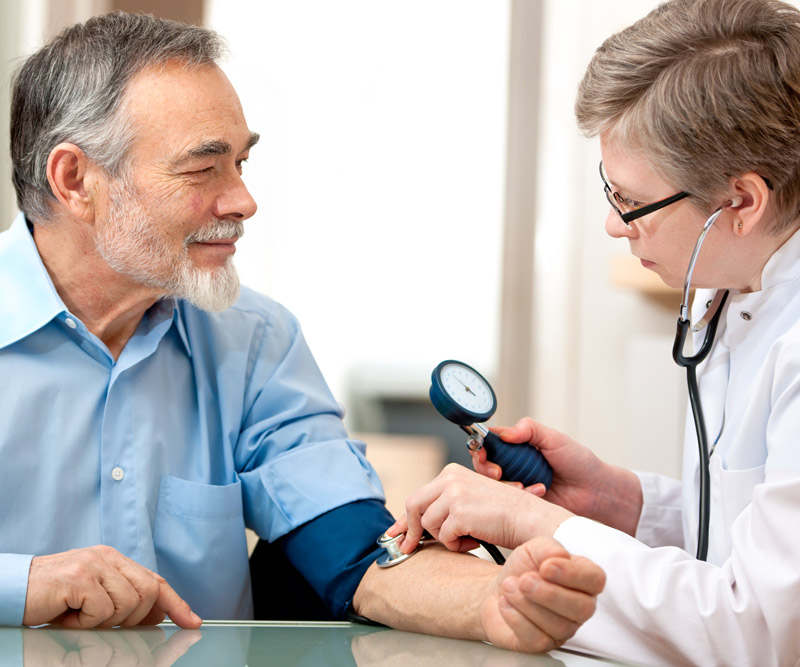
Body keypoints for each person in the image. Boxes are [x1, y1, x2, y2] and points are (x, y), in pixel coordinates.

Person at [0, 10, 606, 653]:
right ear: (75, 180)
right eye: (203, 169)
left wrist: (498, 600)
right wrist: (19, 583)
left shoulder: (254, 339)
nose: (242, 200)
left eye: (241, 162)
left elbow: (352, 554)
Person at [388, 0, 800, 664]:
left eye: (633, 203)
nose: (614, 224)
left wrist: (534, 523)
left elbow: (760, 633)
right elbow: (745, 541)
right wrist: (618, 499)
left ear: (742, 202)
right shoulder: (730, 290)